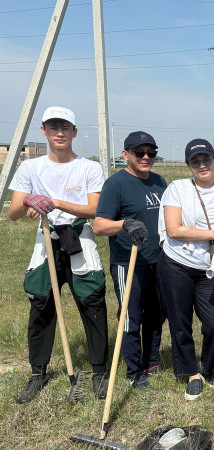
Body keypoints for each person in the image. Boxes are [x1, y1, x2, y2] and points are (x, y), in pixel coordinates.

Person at [9, 106, 109, 403]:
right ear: (44, 131)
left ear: (74, 131)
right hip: (46, 238)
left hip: (79, 237)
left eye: (66, 127)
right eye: (54, 127)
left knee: (92, 302)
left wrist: (55, 202)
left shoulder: (89, 168)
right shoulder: (30, 168)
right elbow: (14, 212)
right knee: (40, 303)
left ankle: (99, 372)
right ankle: (38, 373)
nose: (60, 132)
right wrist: (28, 200)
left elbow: (94, 209)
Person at [157, 138, 214, 400]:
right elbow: (174, 229)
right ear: (188, 165)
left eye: (206, 159)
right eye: (195, 161)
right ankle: (191, 373)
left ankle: (206, 368)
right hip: (176, 263)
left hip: (211, 268)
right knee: (180, 321)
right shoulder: (177, 189)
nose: (202, 165)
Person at [93, 131, 167, 389]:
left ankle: (152, 361)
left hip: (158, 262)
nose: (146, 157)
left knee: (156, 315)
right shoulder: (116, 184)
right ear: (126, 155)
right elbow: (99, 225)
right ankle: (135, 371)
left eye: (151, 153)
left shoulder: (159, 182)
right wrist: (125, 224)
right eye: (140, 153)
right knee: (130, 317)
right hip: (128, 263)